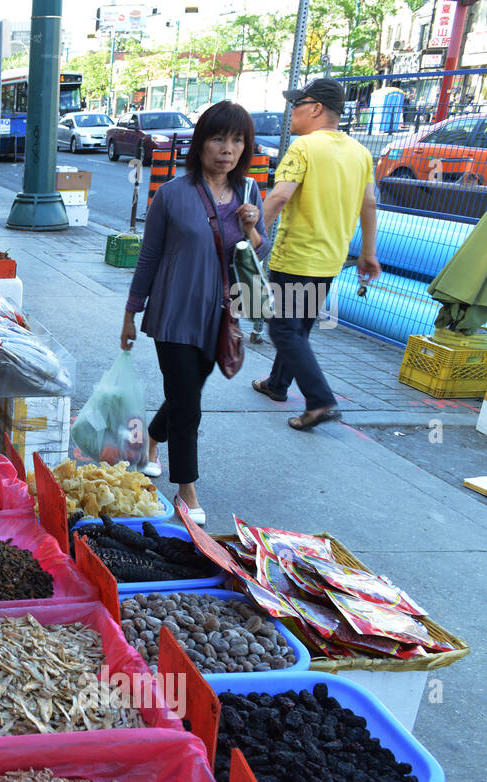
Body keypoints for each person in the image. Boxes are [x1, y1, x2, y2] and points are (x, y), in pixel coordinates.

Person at [120, 101, 269, 525]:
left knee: (187, 395)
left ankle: (150, 437)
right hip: (173, 313)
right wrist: (131, 313)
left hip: (220, 315)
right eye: (219, 138)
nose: (228, 149)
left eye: (237, 140)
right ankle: (186, 491)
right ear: (201, 142)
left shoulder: (249, 194)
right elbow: (148, 257)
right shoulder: (172, 194)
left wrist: (253, 228)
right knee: (189, 405)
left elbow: (256, 256)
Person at [252, 78, 381, 430]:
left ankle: (320, 400)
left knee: (282, 329)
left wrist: (249, 237)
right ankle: (277, 385)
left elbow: (278, 197)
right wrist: (368, 252)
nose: (292, 111)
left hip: (296, 256)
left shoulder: (304, 147)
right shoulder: (360, 152)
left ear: (317, 108)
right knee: (299, 329)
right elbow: (369, 204)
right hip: (330, 260)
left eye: (298, 103)